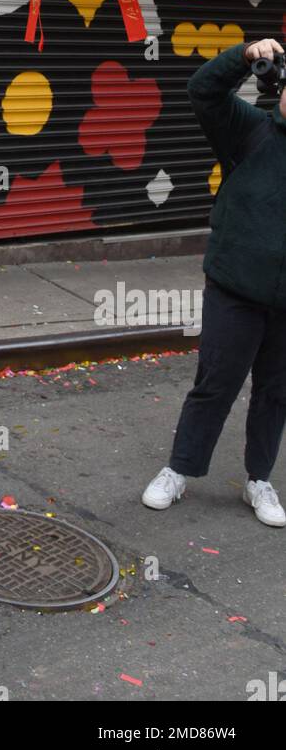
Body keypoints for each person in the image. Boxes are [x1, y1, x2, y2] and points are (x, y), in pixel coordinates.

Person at [143, 37, 286, 526]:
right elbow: (202, 90)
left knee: (276, 391)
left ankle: (259, 481)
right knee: (215, 384)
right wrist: (244, 55)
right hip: (235, 289)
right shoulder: (250, 130)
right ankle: (179, 470)